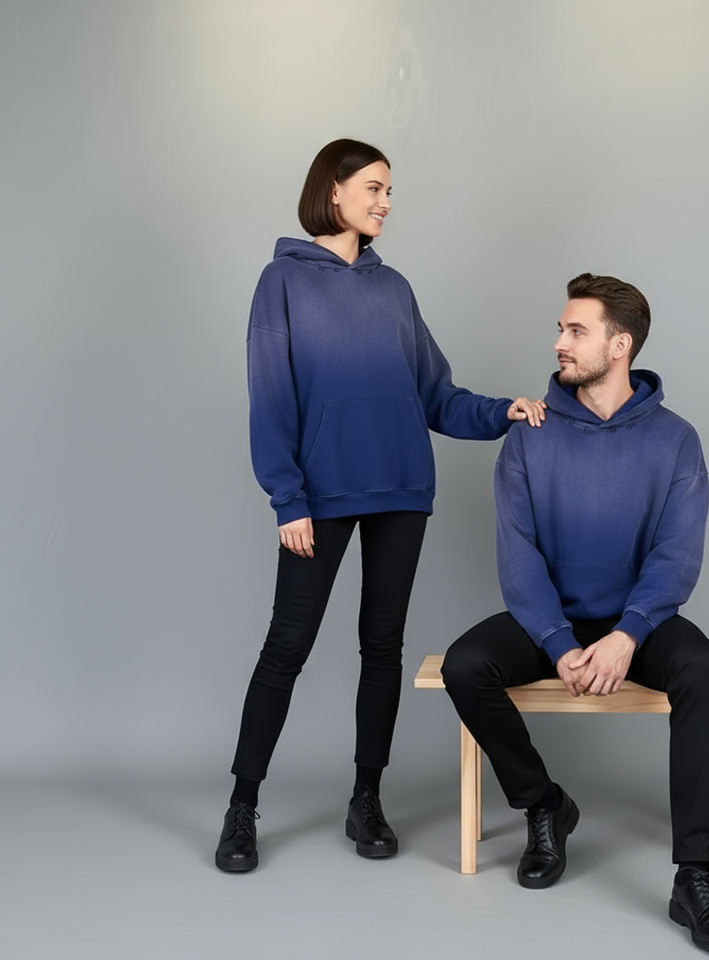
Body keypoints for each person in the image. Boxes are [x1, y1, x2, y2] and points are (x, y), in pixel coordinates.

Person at [215, 138, 545, 873]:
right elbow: (270, 396)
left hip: (401, 490)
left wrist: (503, 411)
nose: (385, 202)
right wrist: (287, 499)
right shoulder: (281, 282)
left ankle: (367, 798)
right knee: (286, 647)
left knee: (382, 646)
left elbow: (436, 395)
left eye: (389, 190)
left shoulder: (394, 289)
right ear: (333, 190)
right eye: (374, 187)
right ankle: (241, 806)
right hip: (319, 497)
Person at [441, 273, 709, 953]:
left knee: (702, 669)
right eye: (561, 328)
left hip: (637, 621)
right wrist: (556, 641)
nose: (560, 342)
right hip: (553, 619)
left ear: (620, 345)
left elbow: (676, 554)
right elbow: (517, 553)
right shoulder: (530, 435)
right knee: (465, 666)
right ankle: (545, 805)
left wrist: (627, 636)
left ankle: (695, 878)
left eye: (576, 330)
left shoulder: (676, 440)